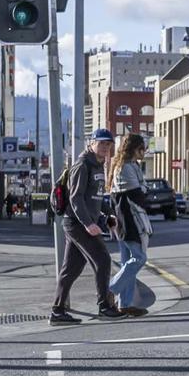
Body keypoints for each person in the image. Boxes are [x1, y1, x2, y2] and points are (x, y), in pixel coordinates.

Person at [51, 129, 127, 325]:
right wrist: (89, 223)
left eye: (108, 145)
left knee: (71, 269)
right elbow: (75, 199)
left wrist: (109, 214)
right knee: (102, 259)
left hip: (83, 223)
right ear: (91, 144)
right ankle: (104, 307)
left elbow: (97, 197)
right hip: (77, 223)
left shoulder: (99, 166)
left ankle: (57, 312)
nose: (105, 147)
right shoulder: (82, 165)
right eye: (101, 143)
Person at [108, 133, 153, 317]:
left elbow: (139, 192)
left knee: (128, 261)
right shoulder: (126, 167)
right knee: (139, 258)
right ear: (136, 149)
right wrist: (144, 190)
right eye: (143, 148)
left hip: (124, 219)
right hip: (129, 219)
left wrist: (143, 190)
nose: (145, 152)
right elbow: (138, 195)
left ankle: (124, 304)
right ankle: (110, 290)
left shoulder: (129, 165)